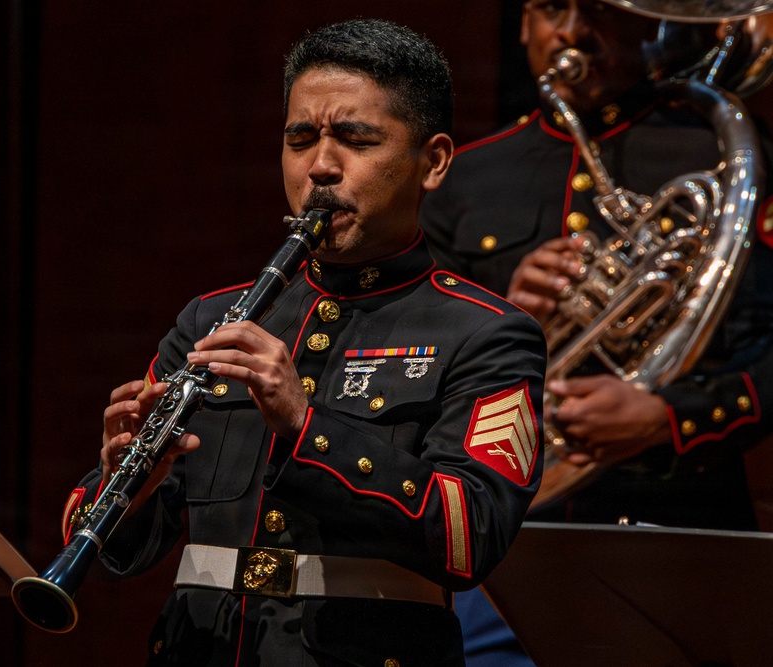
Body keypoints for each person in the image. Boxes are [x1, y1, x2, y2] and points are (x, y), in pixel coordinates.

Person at [61, 18, 547, 666]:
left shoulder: (485, 332)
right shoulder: (211, 318)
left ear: (432, 162)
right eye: (300, 138)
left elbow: (469, 533)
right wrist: (130, 483)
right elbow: (106, 544)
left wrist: (306, 424)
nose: (320, 166)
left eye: (354, 138)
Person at [419, 1, 773, 664]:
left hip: (683, 538)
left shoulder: (730, 157)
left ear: (656, 22)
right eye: (552, 7)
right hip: (502, 559)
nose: (574, 32)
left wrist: (667, 418)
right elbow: (410, 366)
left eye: (604, 10)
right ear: (523, 23)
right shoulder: (463, 178)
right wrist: (504, 314)